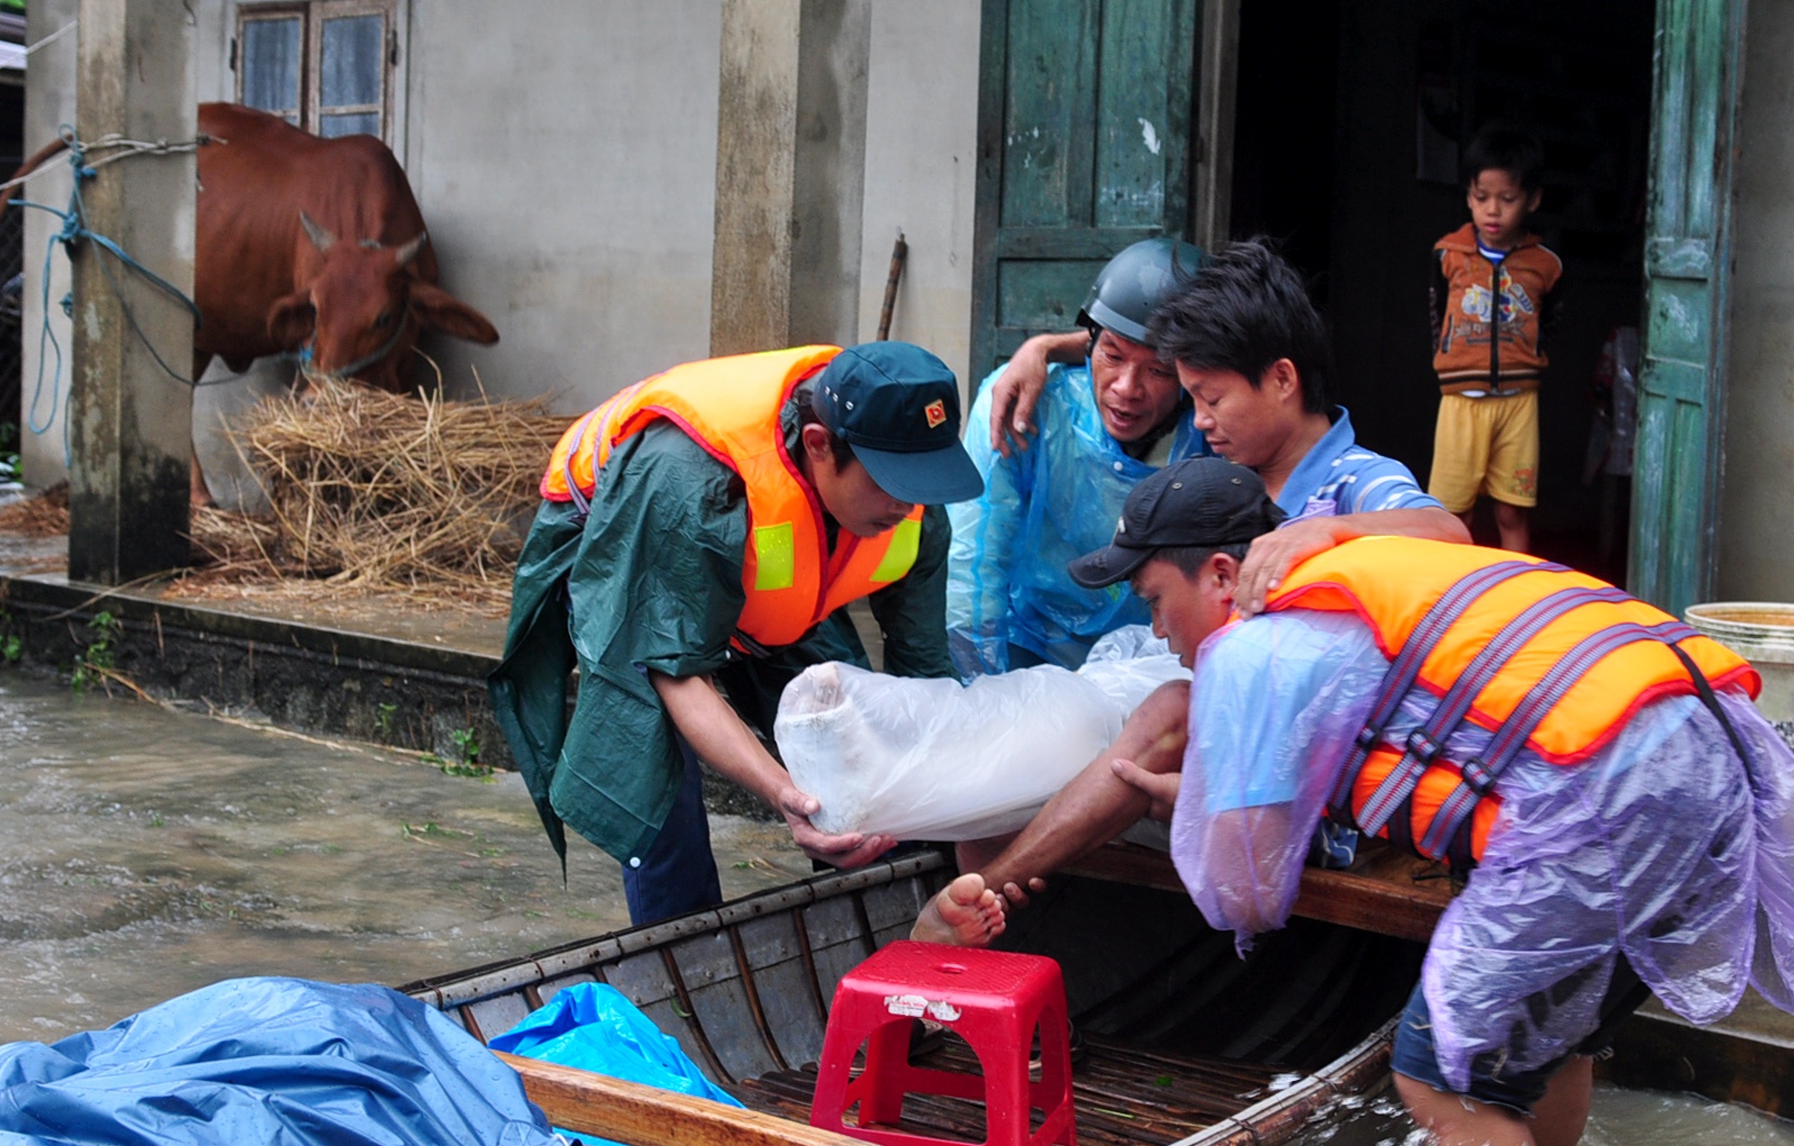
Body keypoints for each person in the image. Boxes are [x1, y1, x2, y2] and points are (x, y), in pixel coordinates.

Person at [920, 458, 1794, 1146]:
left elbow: (1245, 894)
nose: (1158, 631)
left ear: (1220, 573)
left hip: (1608, 795)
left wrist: (1192, 807)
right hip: (1714, 760)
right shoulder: (1367, 571)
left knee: (1440, 1068)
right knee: (1540, 1038)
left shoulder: (1260, 643)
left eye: (1157, 601)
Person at [490, 342, 983, 926]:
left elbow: (922, 672)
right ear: (820, 447)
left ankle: (887, 930)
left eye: (923, 480)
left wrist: (958, 800)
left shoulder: (911, 497)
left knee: (843, 735)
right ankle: (683, 952)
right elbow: (674, 673)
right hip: (633, 538)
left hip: (765, 578)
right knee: (651, 757)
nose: (909, 503)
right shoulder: (688, 479)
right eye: (893, 482)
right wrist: (785, 794)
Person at [981, 240, 1468, 620]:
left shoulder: (1353, 479)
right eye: (1191, 398)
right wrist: (1042, 349)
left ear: (1281, 379)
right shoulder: (1234, 473)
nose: (1198, 420)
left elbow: (1448, 534)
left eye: (1211, 399)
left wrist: (1326, 532)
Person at [947, 237, 1213, 676]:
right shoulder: (1026, 404)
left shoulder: (1209, 429)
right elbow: (973, 562)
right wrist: (981, 692)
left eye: (1159, 371)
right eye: (1113, 356)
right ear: (1089, 345)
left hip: (1153, 655)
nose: (1127, 388)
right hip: (1029, 642)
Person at [1427, 124, 1564, 553]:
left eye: (1507, 199)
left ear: (1533, 200)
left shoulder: (1546, 264)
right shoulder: (1447, 255)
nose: (1493, 211)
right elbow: (1434, 318)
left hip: (1519, 401)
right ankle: (1449, 605)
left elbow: (1552, 321)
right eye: (1481, 197)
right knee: (1453, 515)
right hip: (1460, 400)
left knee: (1511, 511)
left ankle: (1515, 605)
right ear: (1468, 195)